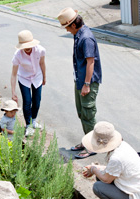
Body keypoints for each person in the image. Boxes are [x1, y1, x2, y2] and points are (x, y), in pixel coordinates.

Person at [57, 8, 102, 158]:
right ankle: (87, 140)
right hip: (80, 81)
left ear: (74, 25)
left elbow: (91, 62)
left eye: (67, 27)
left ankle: (93, 146)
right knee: (82, 112)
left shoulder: (86, 38)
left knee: (88, 114)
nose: (67, 30)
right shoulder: (78, 34)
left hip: (87, 82)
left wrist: (87, 84)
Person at [82, 121, 140, 199]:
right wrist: (96, 167)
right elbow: (115, 169)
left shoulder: (116, 158)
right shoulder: (122, 145)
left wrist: (93, 169)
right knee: (100, 175)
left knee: (98, 187)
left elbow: (106, 180)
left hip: (137, 197)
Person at [11, 30, 46, 137]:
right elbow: (13, 74)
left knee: (37, 100)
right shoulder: (18, 55)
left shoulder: (40, 50)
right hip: (24, 78)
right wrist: (13, 92)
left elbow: (42, 63)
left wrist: (44, 77)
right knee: (27, 101)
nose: (27, 48)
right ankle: (28, 126)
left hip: (37, 77)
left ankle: (33, 120)